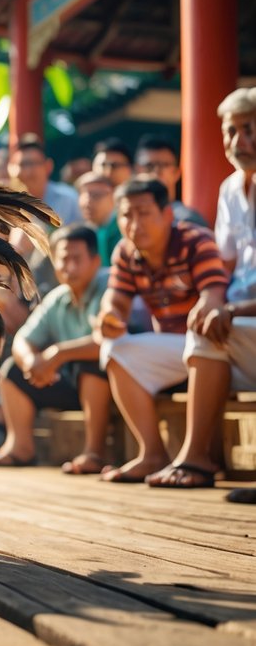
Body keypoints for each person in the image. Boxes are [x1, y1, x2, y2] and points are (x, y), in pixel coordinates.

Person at [147, 89, 256, 489]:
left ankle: (196, 459)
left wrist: (231, 311)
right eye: (231, 131)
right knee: (206, 331)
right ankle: (200, 458)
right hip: (242, 322)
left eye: (249, 129)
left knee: (209, 334)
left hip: (246, 318)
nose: (238, 141)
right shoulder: (231, 189)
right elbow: (225, 265)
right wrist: (211, 301)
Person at [95, 178, 228, 483]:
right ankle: (152, 453)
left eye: (143, 213)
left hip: (213, 345)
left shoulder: (196, 240)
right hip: (174, 349)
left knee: (202, 335)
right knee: (114, 349)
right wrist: (109, 317)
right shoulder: (126, 253)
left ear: (168, 214)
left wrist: (206, 305)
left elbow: (214, 293)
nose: (134, 223)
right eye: (127, 215)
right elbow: (114, 302)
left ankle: (197, 459)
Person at [0, 226, 111, 471]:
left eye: (77, 259)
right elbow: (22, 340)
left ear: (95, 262)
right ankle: (20, 447)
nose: (69, 267)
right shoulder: (57, 297)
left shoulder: (109, 285)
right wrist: (33, 362)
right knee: (13, 369)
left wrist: (58, 354)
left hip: (112, 381)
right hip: (68, 381)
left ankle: (94, 453)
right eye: (63, 259)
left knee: (92, 366)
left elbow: (104, 342)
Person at [135, 134, 209, 228]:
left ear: (177, 173)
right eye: (149, 166)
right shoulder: (124, 220)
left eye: (164, 165)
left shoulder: (188, 221)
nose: (156, 171)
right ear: (136, 171)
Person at [8, 135, 81, 225]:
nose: (28, 171)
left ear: (48, 166)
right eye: (22, 164)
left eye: (33, 163)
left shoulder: (68, 198)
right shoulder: (7, 204)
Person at [75, 171, 120, 263]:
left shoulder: (122, 230)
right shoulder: (82, 231)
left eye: (96, 195)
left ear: (114, 196)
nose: (87, 202)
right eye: (82, 194)